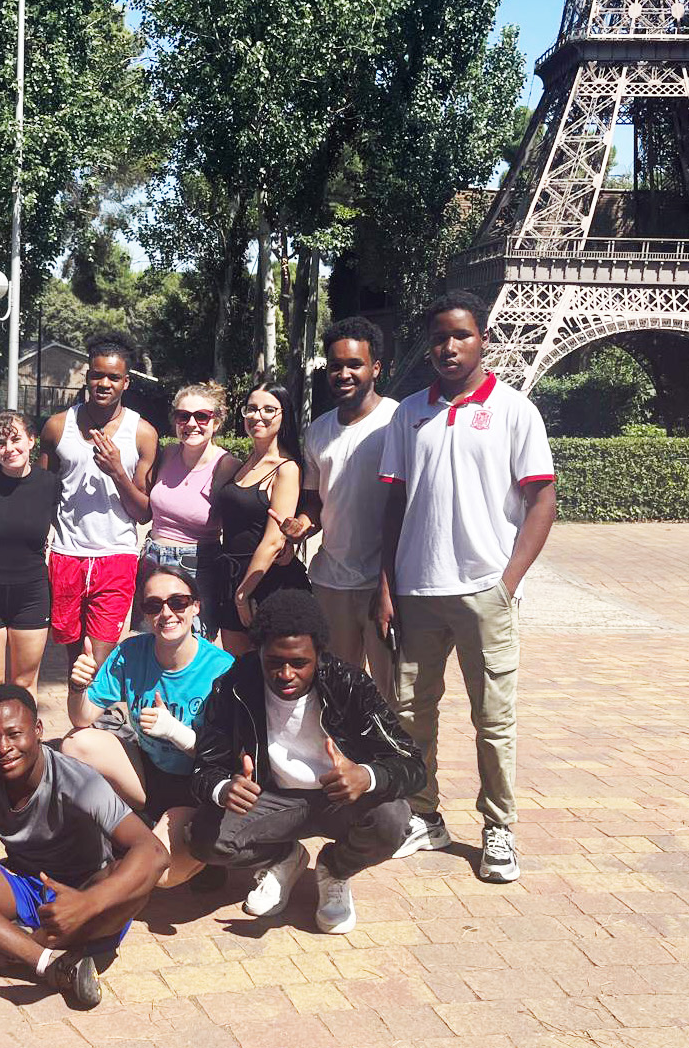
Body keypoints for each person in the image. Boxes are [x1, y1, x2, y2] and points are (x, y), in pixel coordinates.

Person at [375, 291, 557, 884]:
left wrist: (507, 582)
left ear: (482, 340)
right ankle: (425, 816)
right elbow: (395, 504)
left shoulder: (514, 410)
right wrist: (387, 585)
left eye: (461, 335)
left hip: (485, 590)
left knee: (493, 717)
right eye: (438, 338)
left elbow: (542, 500)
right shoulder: (409, 414)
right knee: (410, 711)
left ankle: (498, 827)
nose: (448, 347)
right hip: (418, 589)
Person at [0, 684, 169, 1009]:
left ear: (39, 731)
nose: (4, 748)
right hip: (23, 886)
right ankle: (47, 961)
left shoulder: (79, 782)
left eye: (15, 734)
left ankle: (2, 948)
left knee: (135, 882)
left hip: (86, 890)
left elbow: (155, 852)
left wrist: (87, 903)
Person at [187, 590, 424, 932]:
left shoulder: (350, 684)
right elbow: (204, 767)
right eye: (274, 662)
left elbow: (413, 764)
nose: (285, 674)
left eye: (299, 663)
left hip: (338, 801)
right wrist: (223, 787)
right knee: (204, 840)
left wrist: (366, 776)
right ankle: (284, 858)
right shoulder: (235, 685)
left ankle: (335, 869)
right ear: (260, 652)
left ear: (318, 655)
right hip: (274, 801)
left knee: (393, 820)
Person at [62, 566, 234, 889]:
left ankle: (206, 852)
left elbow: (228, 757)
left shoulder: (221, 668)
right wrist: (77, 687)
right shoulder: (131, 652)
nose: (166, 613)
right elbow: (82, 718)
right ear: (144, 613)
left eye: (178, 602)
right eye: (153, 605)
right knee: (75, 745)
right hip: (149, 775)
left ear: (196, 606)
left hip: (199, 786)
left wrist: (175, 732)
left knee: (161, 874)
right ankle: (127, 824)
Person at [277, 318, 398, 700]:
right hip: (331, 582)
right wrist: (302, 525)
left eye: (354, 364)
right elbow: (315, 501)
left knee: (393, 695)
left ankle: (393, 762)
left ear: (375, 368)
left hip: (386, 583)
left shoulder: (399, 421)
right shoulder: (319, 430)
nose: (343, 373)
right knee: (336, 691)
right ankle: (341, 760)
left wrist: (390, 586)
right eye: (335, 366)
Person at [41, 332, 159, 695]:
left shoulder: (142, 433)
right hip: (66, 555)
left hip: (115, 556)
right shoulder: (58, 426)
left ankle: (93, 733)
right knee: (74, 662)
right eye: (96, 375)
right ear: (86, 377)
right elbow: (40, 491)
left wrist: (117, 471)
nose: (103, 383)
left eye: (112, 377)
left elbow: (143, 513)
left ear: (126, 381)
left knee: (98, 662)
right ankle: (84, 730)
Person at [0, 409, 60, 696]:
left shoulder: (50, 484)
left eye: (16, 440)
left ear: (32, 441)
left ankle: (27, 742)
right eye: (1, 443)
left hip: (31, 594)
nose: (9, 449)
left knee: (24, 684)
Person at [212, 381, 309, 656]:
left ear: (284, 415)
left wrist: (243, 595)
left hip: (266, 583)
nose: (258, 416)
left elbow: (274, 541)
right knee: (238, 674)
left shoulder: (286, 469)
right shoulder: (244, 463)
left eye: (269, 409)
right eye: (251, 409)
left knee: (271, 674)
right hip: (231, 579)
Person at [139, 383, 240, 640]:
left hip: (198, 566)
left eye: (202, 416)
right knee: (149, 644)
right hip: (152, 560)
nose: (192, 423)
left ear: (216, 422)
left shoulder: (228, 466)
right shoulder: (167, 454)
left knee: (191, 646)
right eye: (183, 416)